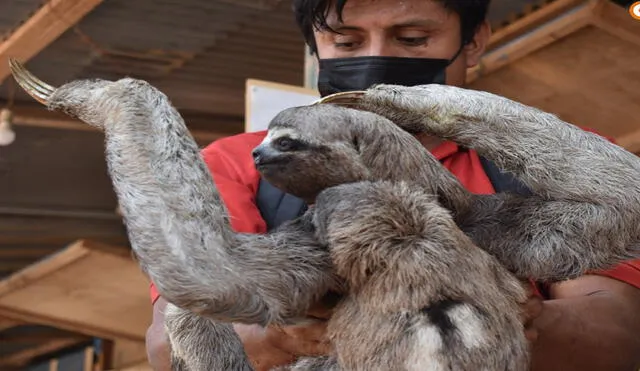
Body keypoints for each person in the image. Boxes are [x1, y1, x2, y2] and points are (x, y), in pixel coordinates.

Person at [145, 1, 640, 370]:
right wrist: (280, 336)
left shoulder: (544, 161)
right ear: (315, 46)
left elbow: (619, 332)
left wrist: (498, 316)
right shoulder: (233, 163)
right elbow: (169, 345)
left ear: (474, 41)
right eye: (345, 42)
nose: (376, 58)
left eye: (412, 38)